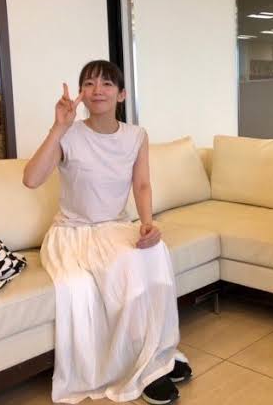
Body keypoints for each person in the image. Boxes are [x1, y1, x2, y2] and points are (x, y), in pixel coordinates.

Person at [23, 60, 191, 404]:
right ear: (81, 94)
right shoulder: (69, 134)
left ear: (122, 94)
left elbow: (141, 185)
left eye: (106, 84)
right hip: (73, 234)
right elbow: (31, 179)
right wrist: (58, 127)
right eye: (89, 83)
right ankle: (142, 368)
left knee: (155, 252)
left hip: (115, 227)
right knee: (124, 269)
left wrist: (148, 223)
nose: (97, 90)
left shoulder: (136, 136)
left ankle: (158, 353)